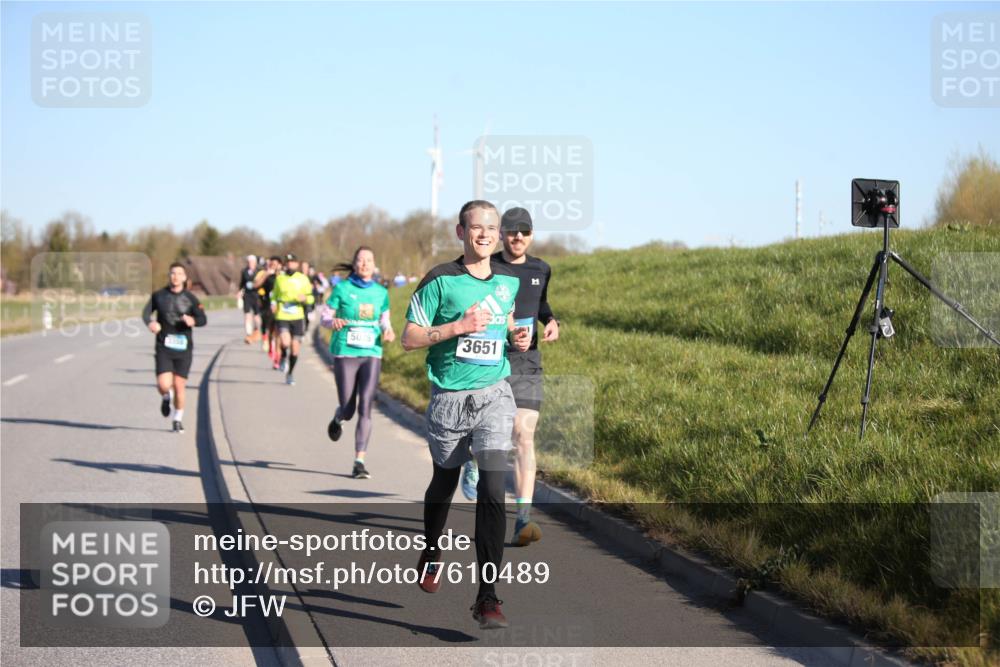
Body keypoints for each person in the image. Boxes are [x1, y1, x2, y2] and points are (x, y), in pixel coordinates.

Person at [402, 200, 530, 629]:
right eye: (476, 228)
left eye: (491, 228)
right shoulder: (441, 280)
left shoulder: (508, 282)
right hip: (449, 401)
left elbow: (507, 323)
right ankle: (432, 548)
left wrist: (518, 335)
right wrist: (456, 327)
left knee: (494, 486)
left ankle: (488, 596)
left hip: (495, 394)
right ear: (461, 232)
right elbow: (409, 338)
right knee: (445, 480)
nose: (485, 234)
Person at [491, 207, 559, 547]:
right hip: (489, 360)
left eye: (525, 231)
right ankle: (476, 461)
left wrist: (551, 320)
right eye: (513, 231)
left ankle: (522, 519)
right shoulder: (487, 268)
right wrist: (505, 330)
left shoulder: (541, 268)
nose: (519, 237)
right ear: (502, 233)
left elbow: (541, 303)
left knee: (523, 435)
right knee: (490, 435)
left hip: (528, 362)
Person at [323, 246, 396, 479]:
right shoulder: (342, 289)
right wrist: (331, 322)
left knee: (366, 406)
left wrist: (388, 330)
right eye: (361, 260)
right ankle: (338, 418)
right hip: (346, 351)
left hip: (371, 352)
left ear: (374, 265)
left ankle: (359, 461)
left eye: (369, 260)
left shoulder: (380, 292)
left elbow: (385, 319)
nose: (365, 264)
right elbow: (325, 315)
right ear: (354, 264)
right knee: (348, 408)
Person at [142, 262, 207, 433]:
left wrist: (194, 321)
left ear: (185, 278)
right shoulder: (159, 296)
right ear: (169, 275)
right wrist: (151, 323)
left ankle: (177, 418)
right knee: (164, 384)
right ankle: (165, 395)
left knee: (179, 386)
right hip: (164, 345)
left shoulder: (191, 299)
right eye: (172, 273)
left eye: (179, 273)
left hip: (184, 348)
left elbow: (202, 319)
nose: (175, 276)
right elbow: (145, 313)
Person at [270, 253, 314, 385]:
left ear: (297, 264)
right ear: (285, 264)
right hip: (283, 315)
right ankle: (283, 356)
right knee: (285, 342)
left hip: (298, 316)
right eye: (288, 262)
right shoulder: (280, 279)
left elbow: (311, 298)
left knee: (295, 349)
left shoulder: (303, 279)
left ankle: (290, 374)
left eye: (293, 262)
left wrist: (305, 299)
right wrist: (273, 304)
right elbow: (274, 295)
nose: (290, 265)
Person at [253, 255, 282, 368]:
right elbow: (256, 285)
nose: (273, 266)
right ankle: (270, 346)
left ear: (280, 265)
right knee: (270, 332)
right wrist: (266, 274)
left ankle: (277, 358)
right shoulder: (266, 275)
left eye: (275, 264)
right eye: (271, 264)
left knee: (278, 333)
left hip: (280, 308)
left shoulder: (282, 277)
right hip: (267, 306)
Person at [239, 255, 261, 344]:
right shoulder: (244, 271)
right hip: (247, 295)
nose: (250, 264)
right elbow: (242, 283)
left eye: (252, 262)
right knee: (247, 314)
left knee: (256, 315)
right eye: (249, 262)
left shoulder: (259, 271)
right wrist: (239, 291)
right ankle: (248, 333)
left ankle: (258, 330)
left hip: (256, 295)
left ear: (255, 263)